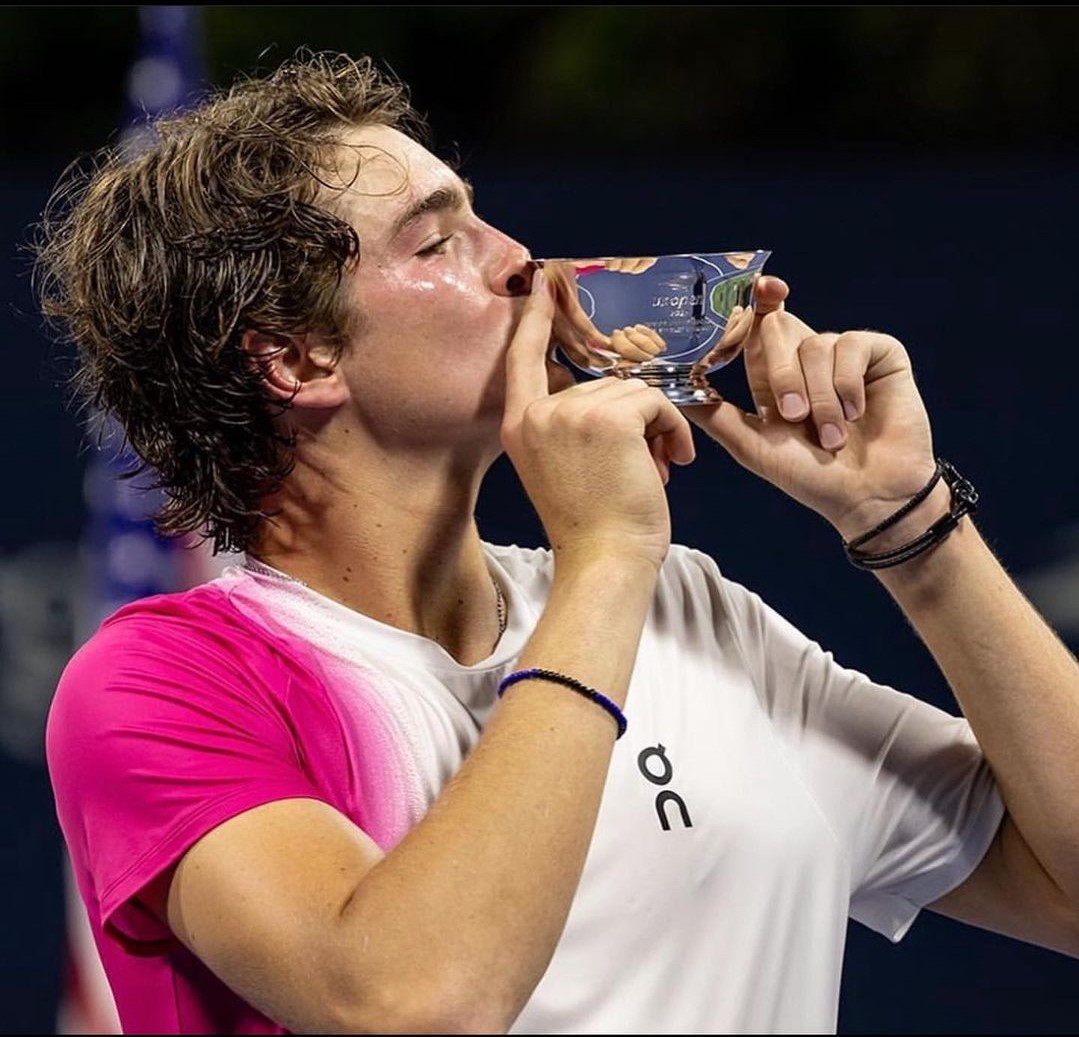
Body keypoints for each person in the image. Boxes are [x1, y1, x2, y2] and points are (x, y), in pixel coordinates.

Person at [33, 48, 1079, 1036]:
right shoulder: (162, 681)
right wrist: (608, 555)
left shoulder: (686, 609)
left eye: (480, 217)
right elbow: (412, 1001)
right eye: (437, 241)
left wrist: (905, 525)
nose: (520, 262)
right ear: (293, 359)